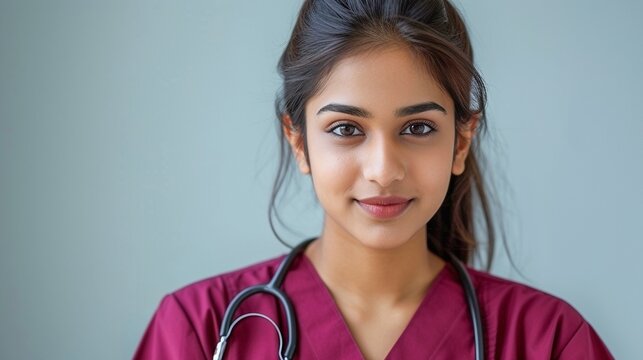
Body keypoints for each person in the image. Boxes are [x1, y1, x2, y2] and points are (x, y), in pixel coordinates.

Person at [133, 0, 613, 359]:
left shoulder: (548, 340)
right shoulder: (197, 330)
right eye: (346, 129)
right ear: (297, 141)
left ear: (461, 142)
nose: (383, 169)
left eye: (418, 128)